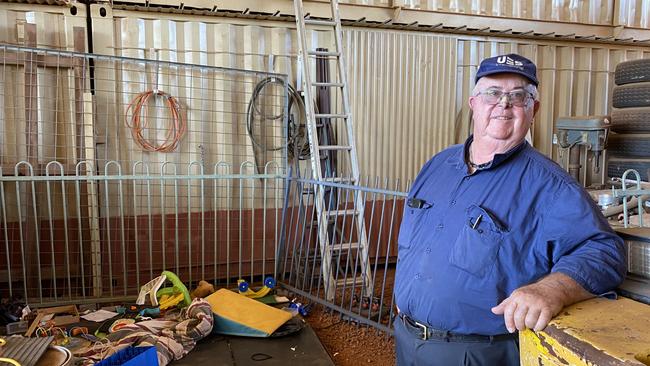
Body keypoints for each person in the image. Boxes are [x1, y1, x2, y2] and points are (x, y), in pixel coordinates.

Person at [393, 53, 626, 366]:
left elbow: (604, 251)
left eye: (519, 96)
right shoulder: (437, 166)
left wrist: (550, 290)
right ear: (473, 103)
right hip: (407, 340)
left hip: (478, 354)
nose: (504, 104)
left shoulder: (550, 187)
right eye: (492, 93)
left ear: (534, 111)